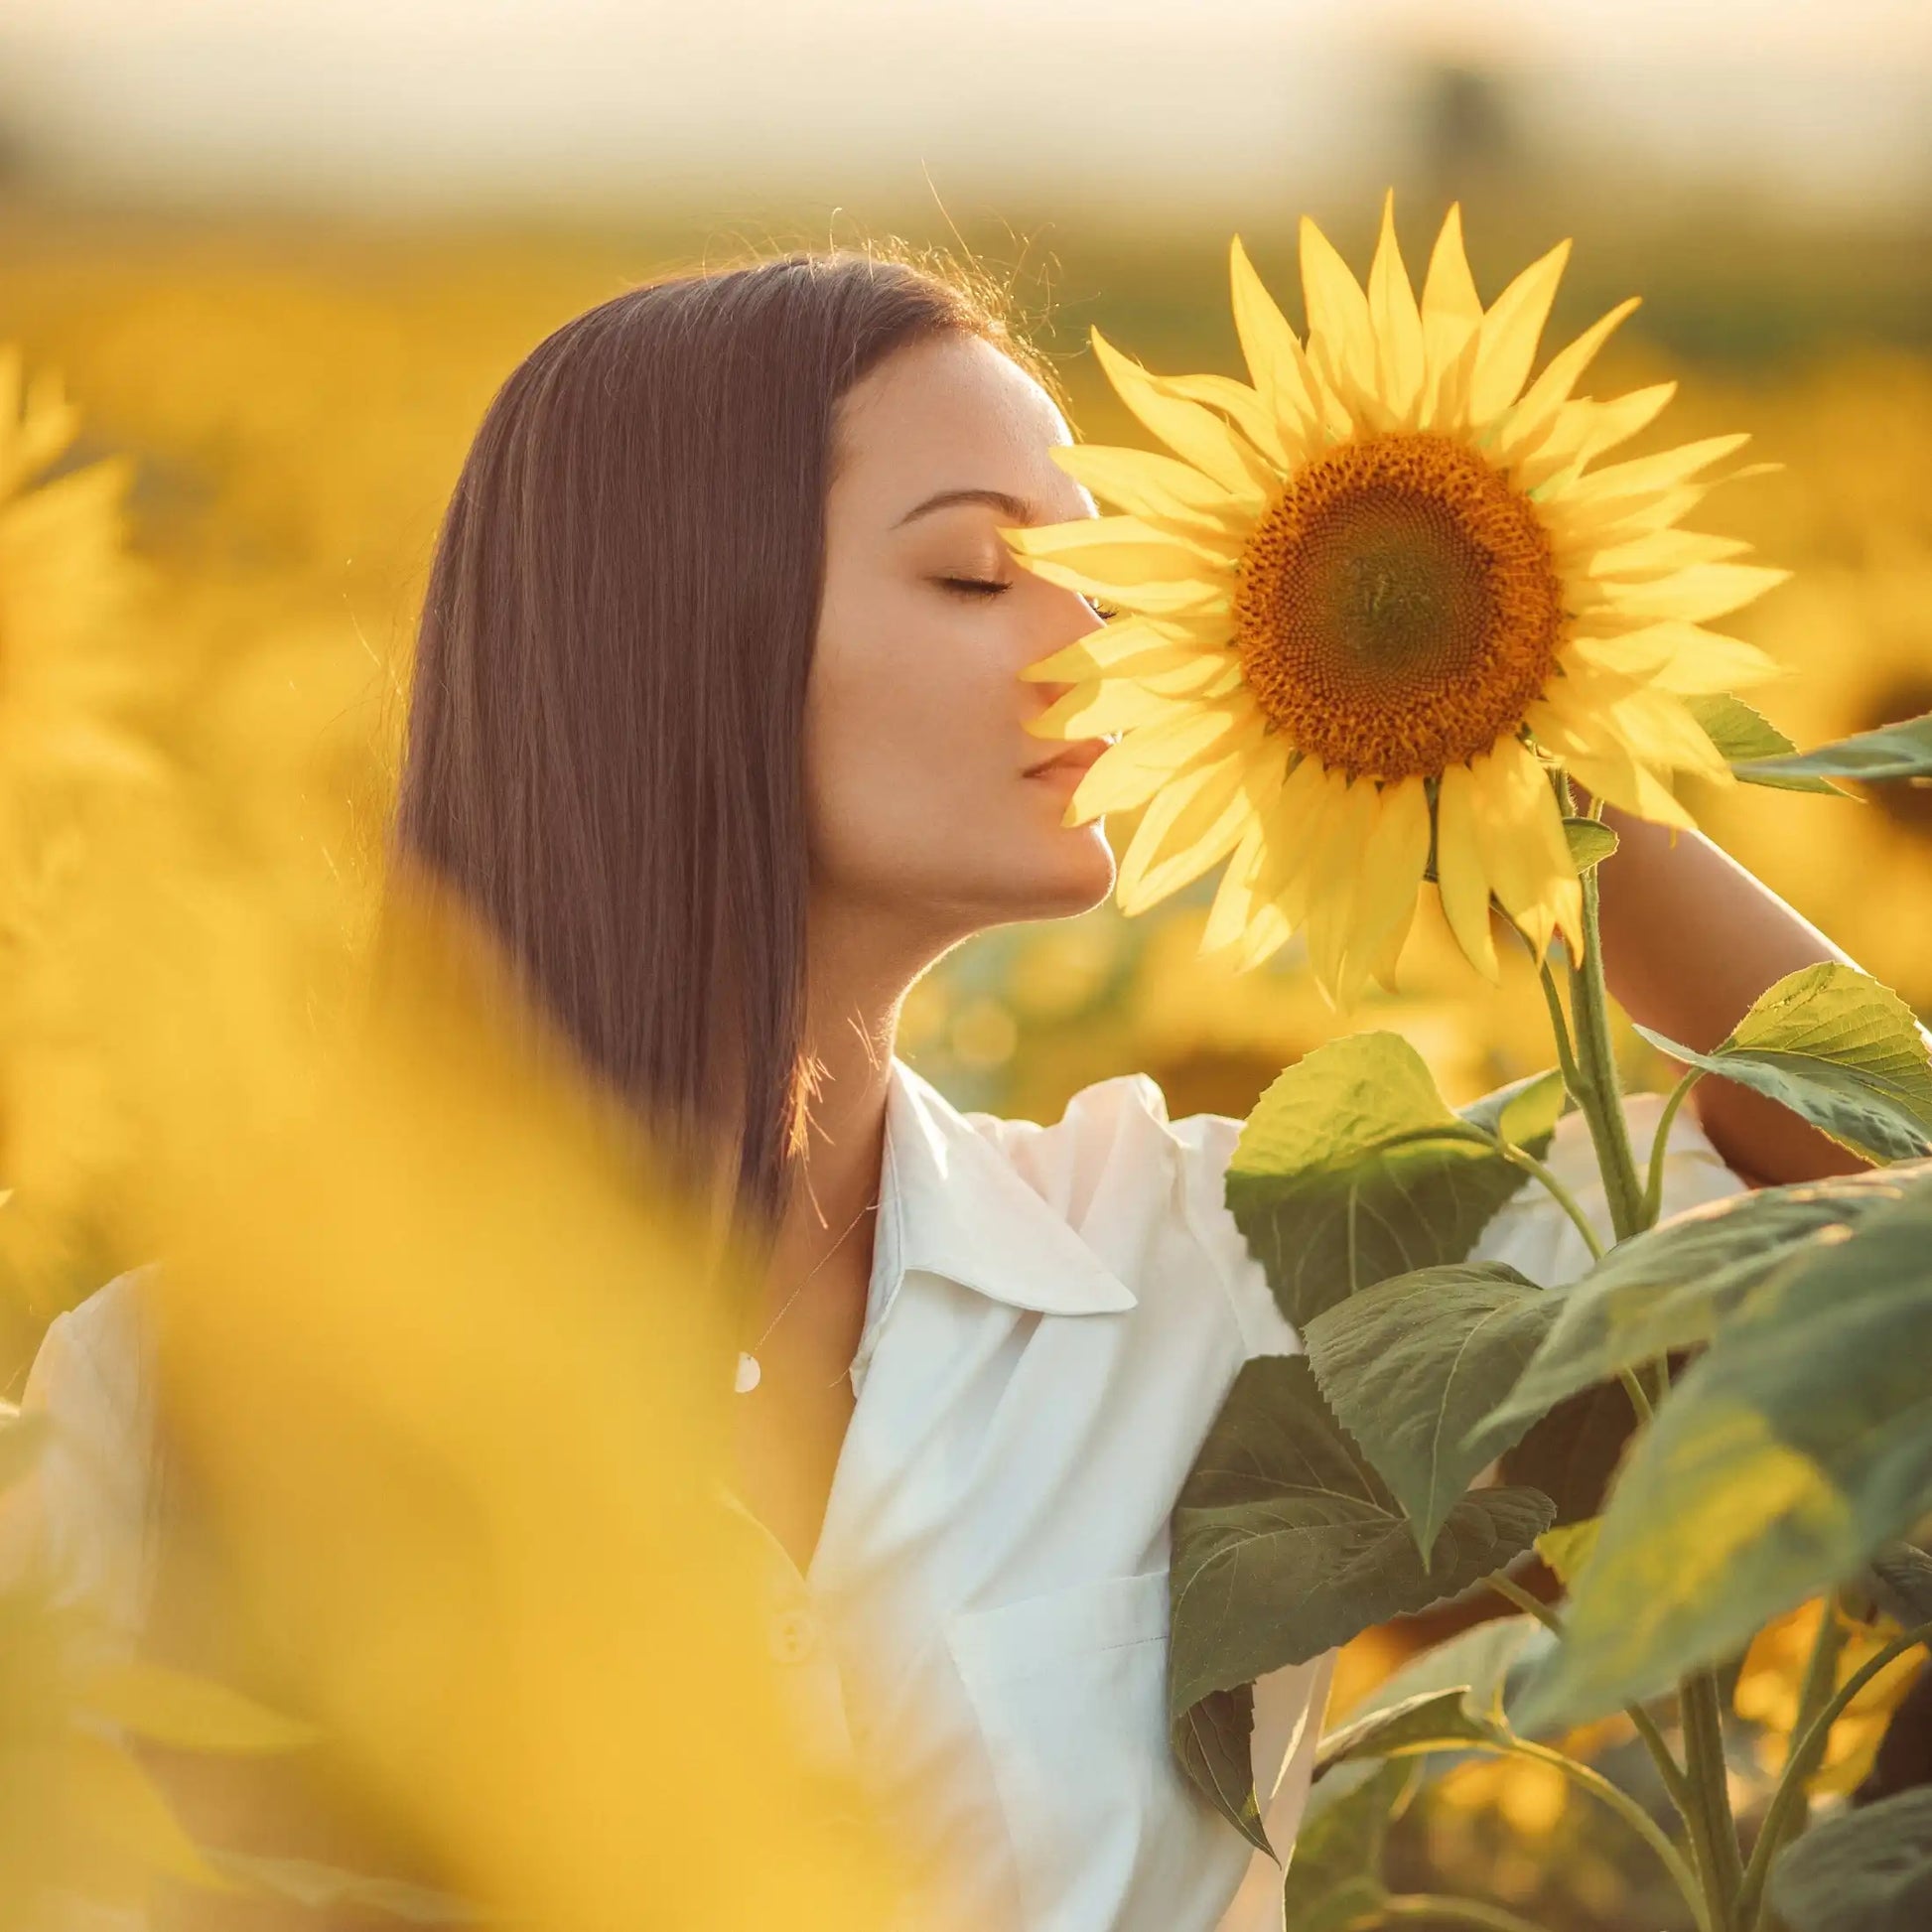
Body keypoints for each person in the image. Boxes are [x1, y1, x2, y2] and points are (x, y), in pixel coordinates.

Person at [5, 247, 1869, 1932]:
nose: (1102, 643)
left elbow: (1867, 1195)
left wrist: (1496, 676)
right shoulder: (174, 1401)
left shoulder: (1220, 1267)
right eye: (981, 571)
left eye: (1099, 573)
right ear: (676, 636)